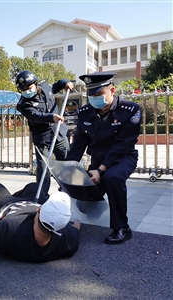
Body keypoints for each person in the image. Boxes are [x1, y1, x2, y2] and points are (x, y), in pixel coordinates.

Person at [66, 71, 141, 245]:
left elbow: (122, 145)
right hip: (98, 160)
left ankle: (122, 228)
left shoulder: (129, 110)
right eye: (90, 95)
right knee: (84, 197)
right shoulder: (85, 112)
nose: (94, 98)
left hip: (123, 157)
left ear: (112, 90)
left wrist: (101, 170)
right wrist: (67, 169)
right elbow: (79, 143)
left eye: (98, 94)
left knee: (112, 178)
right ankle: (93, 210)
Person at [0, 182, 81, 263]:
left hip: (9, 206)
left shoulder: (10, 227)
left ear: (39, 210)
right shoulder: (68, 240)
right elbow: (76, 227)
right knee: (34, 186)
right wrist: (76, 226)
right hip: (30, 202)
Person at [15, 70, 74, 202]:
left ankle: (67, 191)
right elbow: (35, 116)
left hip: (59, 133)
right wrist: (51, 117)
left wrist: (66, 83)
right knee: (43, 168)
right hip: (42, 138)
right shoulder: (23, 104)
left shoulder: (46, 87)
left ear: (35, 84)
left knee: (65, 164)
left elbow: (59, 84)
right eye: (23, 89)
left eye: (28, 87)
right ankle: (42, 196)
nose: (26, 91)